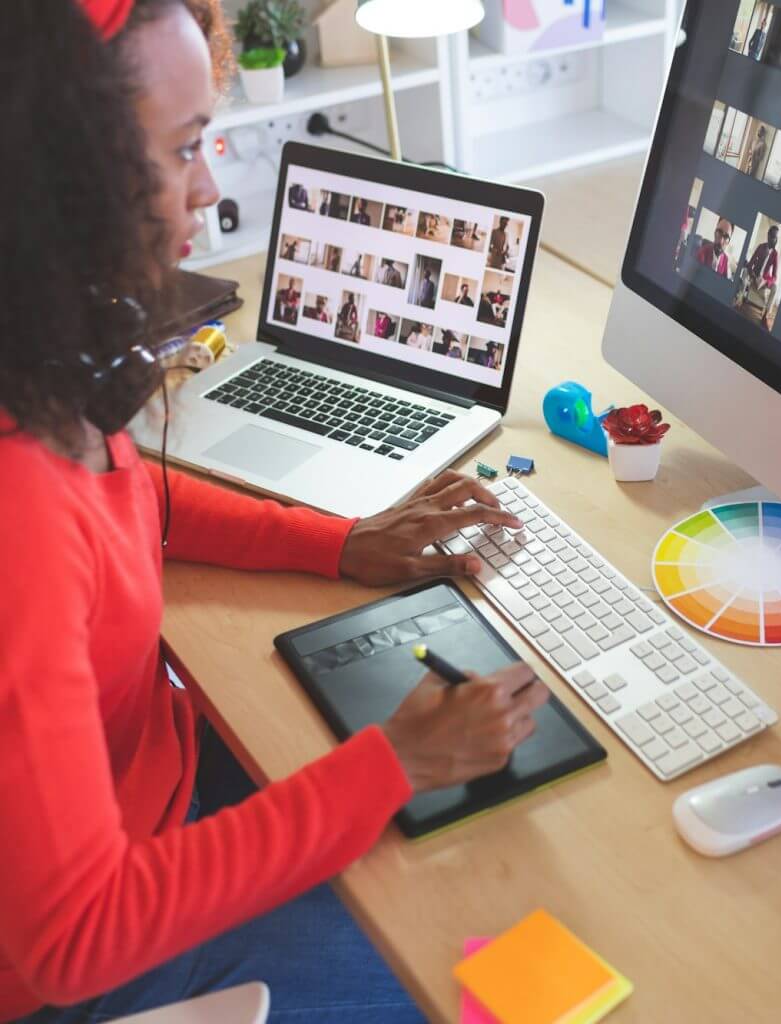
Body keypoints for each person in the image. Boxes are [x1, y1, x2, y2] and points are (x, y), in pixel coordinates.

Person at [0, 3, 549, 1022]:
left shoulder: (40, 356)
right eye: (184, 149)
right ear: (60, 184)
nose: (208, 190)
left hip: (155, 788)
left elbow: (134, 498)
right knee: (466, 962)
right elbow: (77, 936)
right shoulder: (17, 508)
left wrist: (339, 542)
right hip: (93, 969)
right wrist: (400, 761)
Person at [739, 224, 780, 327]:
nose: (774, 240)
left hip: (764, 282)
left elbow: (775, 276)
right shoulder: (761, 247)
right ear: (768, 236)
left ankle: (765, 314)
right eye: (773, 237)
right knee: (744, 272)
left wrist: (766, 281)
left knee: (775, 287)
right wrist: (753, 275)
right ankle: (740, 299)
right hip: (754, 276)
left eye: (776, 238)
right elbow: (750, 264)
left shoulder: (775, 254)